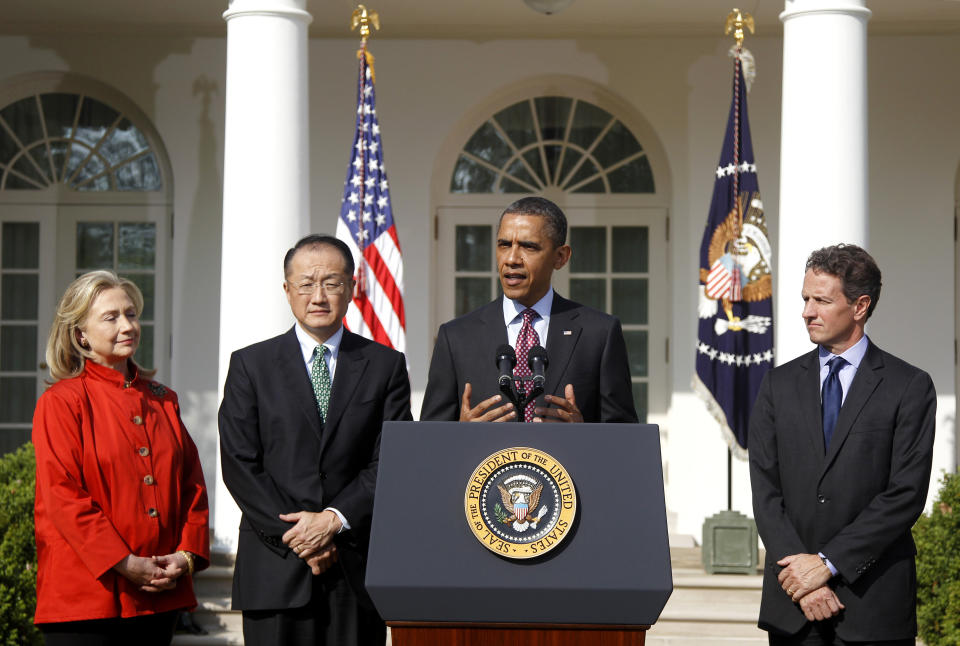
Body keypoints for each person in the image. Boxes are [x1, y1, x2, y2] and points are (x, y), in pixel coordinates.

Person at [219, 234, 412, 646]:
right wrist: (301, 538)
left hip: (354, 567)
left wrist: (333, 520)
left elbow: (393, 460)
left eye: (332, 282)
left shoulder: (385, 366)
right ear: (287, 290)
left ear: (353, 287)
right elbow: (239, 462)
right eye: (306, 283)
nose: (318, 296)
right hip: (275, 567)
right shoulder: (250, 365)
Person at [749, 244, 936, 645]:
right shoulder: (776, 385)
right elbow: (766, 492)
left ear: (860, 306)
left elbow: (905, 494)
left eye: (821, 300)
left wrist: (829, 564)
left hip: (872, 604)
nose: (806, 311)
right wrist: (805, 579)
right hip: (793, 604)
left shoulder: (909, 386)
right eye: (805, 299)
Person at [32, 271, 209, 646]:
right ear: (80, 334)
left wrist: (186, 556)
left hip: (160, 594)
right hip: (85, 597)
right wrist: (123, 562)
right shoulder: (61, 402)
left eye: (131, 314)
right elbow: (63, 496)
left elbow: (192, 485)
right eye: (111, 317)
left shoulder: (164, 399)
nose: (127, 325)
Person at [420, 196, 637, 424]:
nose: (512, 259)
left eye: (528, 246)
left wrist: (583, 435)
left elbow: (625, 441)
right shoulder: (456, 337)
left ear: (560, 257)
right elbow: (427, 444)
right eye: (504, 245)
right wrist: (458, 435)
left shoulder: (599, 334)